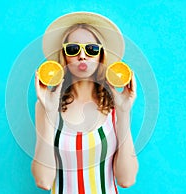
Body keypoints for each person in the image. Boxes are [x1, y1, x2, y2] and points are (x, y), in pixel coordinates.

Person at [31, 12, 138, 194]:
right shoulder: (46, 106)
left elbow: (126, 180)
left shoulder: (116, 107)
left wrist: (124, 113)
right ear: (64, 57)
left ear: (100, 56)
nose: (82, 56)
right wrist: (49, 111)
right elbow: (43, 180)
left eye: (92, 49)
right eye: (73, 49)